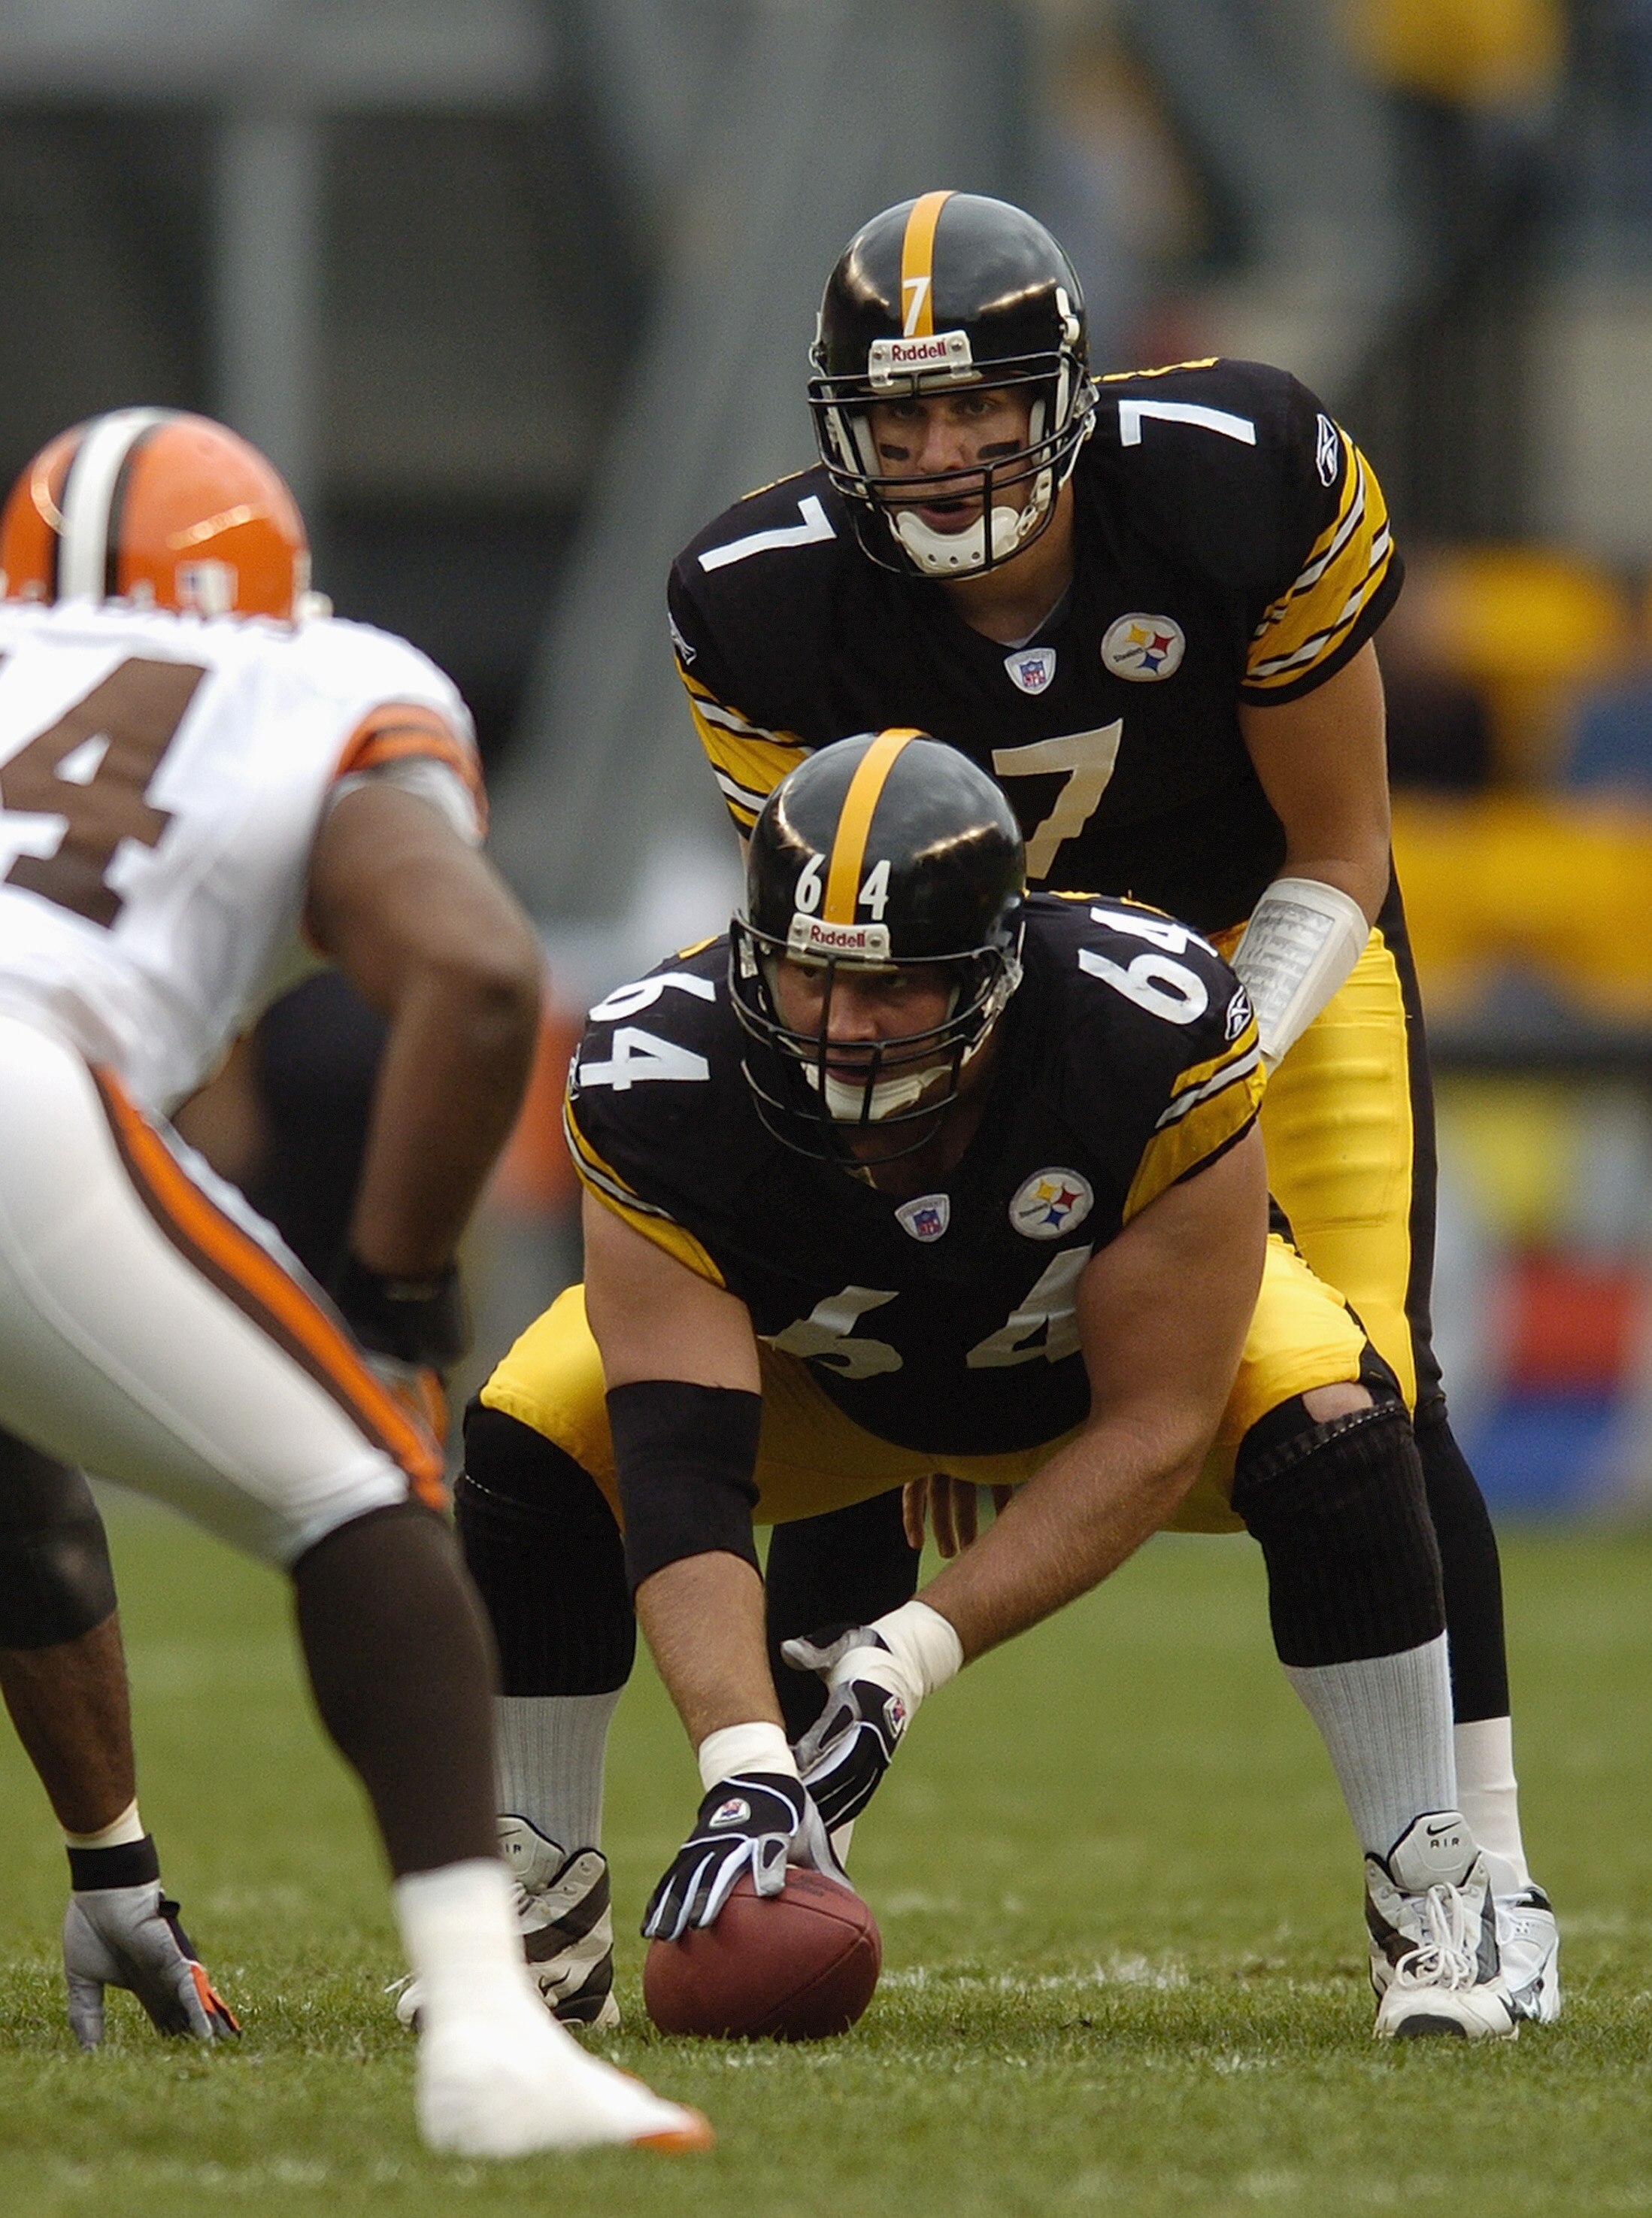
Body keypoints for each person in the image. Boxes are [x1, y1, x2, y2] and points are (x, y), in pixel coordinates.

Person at [653, 192, 1549, 2006]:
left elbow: (1339, 849)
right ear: (841, 424)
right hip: (958, 1017)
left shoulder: (1237, 479)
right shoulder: (762, 600)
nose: (937, 449)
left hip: (1265, 943)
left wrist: (1199, 1074)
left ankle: (1480, 1878)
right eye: (894, 418)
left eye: (977, 404)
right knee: (845, 1350)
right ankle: (793, 1842)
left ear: (1065, 388)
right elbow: (832, 949)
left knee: (1368, 1386)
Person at [470, 730, 1521, 2040]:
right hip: (831, 1382)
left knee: (1340, 1418)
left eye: (892, 990)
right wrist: (742, 1762)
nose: (841, 1030)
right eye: (808, 976)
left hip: (1095, 1372)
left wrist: (900, 1660)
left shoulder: (1145, 1028)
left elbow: (1155, 1423)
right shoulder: (657, 1075)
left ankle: (1433, 1887)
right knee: (530, 1429)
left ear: (995, 970)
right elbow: (681, 1468)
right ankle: (539, 1905)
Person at [0, 407, 709, 2156]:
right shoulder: (315, 676)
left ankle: (134, 1887)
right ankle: (486, 2031)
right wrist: (398, 1300)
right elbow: (475, 978)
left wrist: (112, 1853)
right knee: (368, 1501)